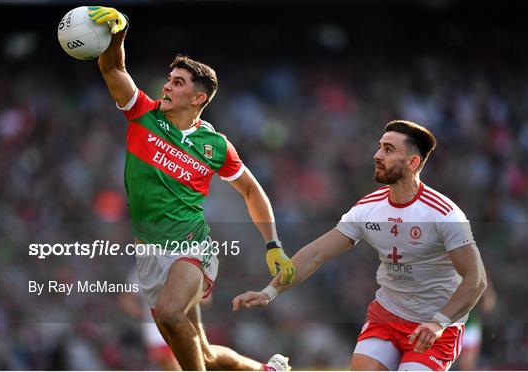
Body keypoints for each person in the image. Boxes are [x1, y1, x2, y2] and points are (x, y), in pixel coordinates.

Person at [87, 6, 294, 371]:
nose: (167, 85)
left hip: (191, 248)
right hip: (150, 259)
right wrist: (117, 33)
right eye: (169, 79)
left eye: (178, 82)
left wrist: (272, 244)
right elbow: (112, 68)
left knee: (169, 314)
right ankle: (268, 370)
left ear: (198, 98)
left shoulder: (215, 145)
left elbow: (251, 190)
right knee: (206, 355)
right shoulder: (143, 114)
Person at [233, 120, 488, 371]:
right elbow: (315, 254)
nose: (377, 155)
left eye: (389, 150)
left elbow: (476, 279)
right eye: (380, 147)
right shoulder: (367, 209)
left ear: (413, 163)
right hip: (386, 317)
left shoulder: (444, 215)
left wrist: (438, 322)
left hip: (434, 328)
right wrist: (270, 291)